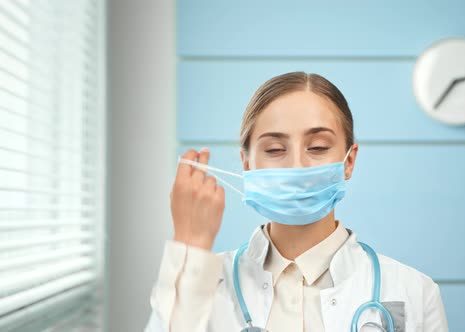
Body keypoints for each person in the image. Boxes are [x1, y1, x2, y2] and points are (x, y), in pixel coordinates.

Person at [144, 72, 448, 332]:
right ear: (247, 164)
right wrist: (191, 243)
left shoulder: (414, 291)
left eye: (317, 147)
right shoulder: (202, 284)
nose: (297, 165)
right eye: (275, 149)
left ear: (349, 161)